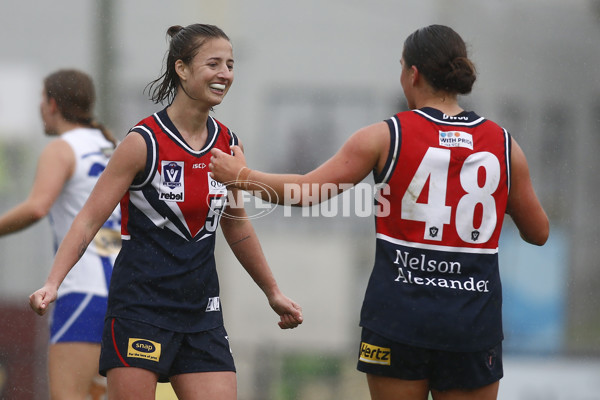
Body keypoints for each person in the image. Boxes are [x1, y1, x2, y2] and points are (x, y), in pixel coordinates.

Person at [209, 24, 549, 400]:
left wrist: (240, 176)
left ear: (413, 74)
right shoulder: (503, 145)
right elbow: (538, 232)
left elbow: (306, 192)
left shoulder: (385, 136)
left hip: (400, 318)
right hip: (471, 322)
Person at [29, 23, 303, 400]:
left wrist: (272, 291)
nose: (225, 74)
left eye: (231, 65)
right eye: (214, 64)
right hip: (140, 308)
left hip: (201, 314)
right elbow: (90, 218)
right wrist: (53, 283)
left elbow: (236, 226)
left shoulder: (228, 144)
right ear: (182, 69)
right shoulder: (143, 142)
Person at [0, 69, 120, 399]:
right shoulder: (115, 145)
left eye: (42, 100)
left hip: (83, 292)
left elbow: (38, 207)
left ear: (52, 104)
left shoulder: (62, 149)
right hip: (127, 295)